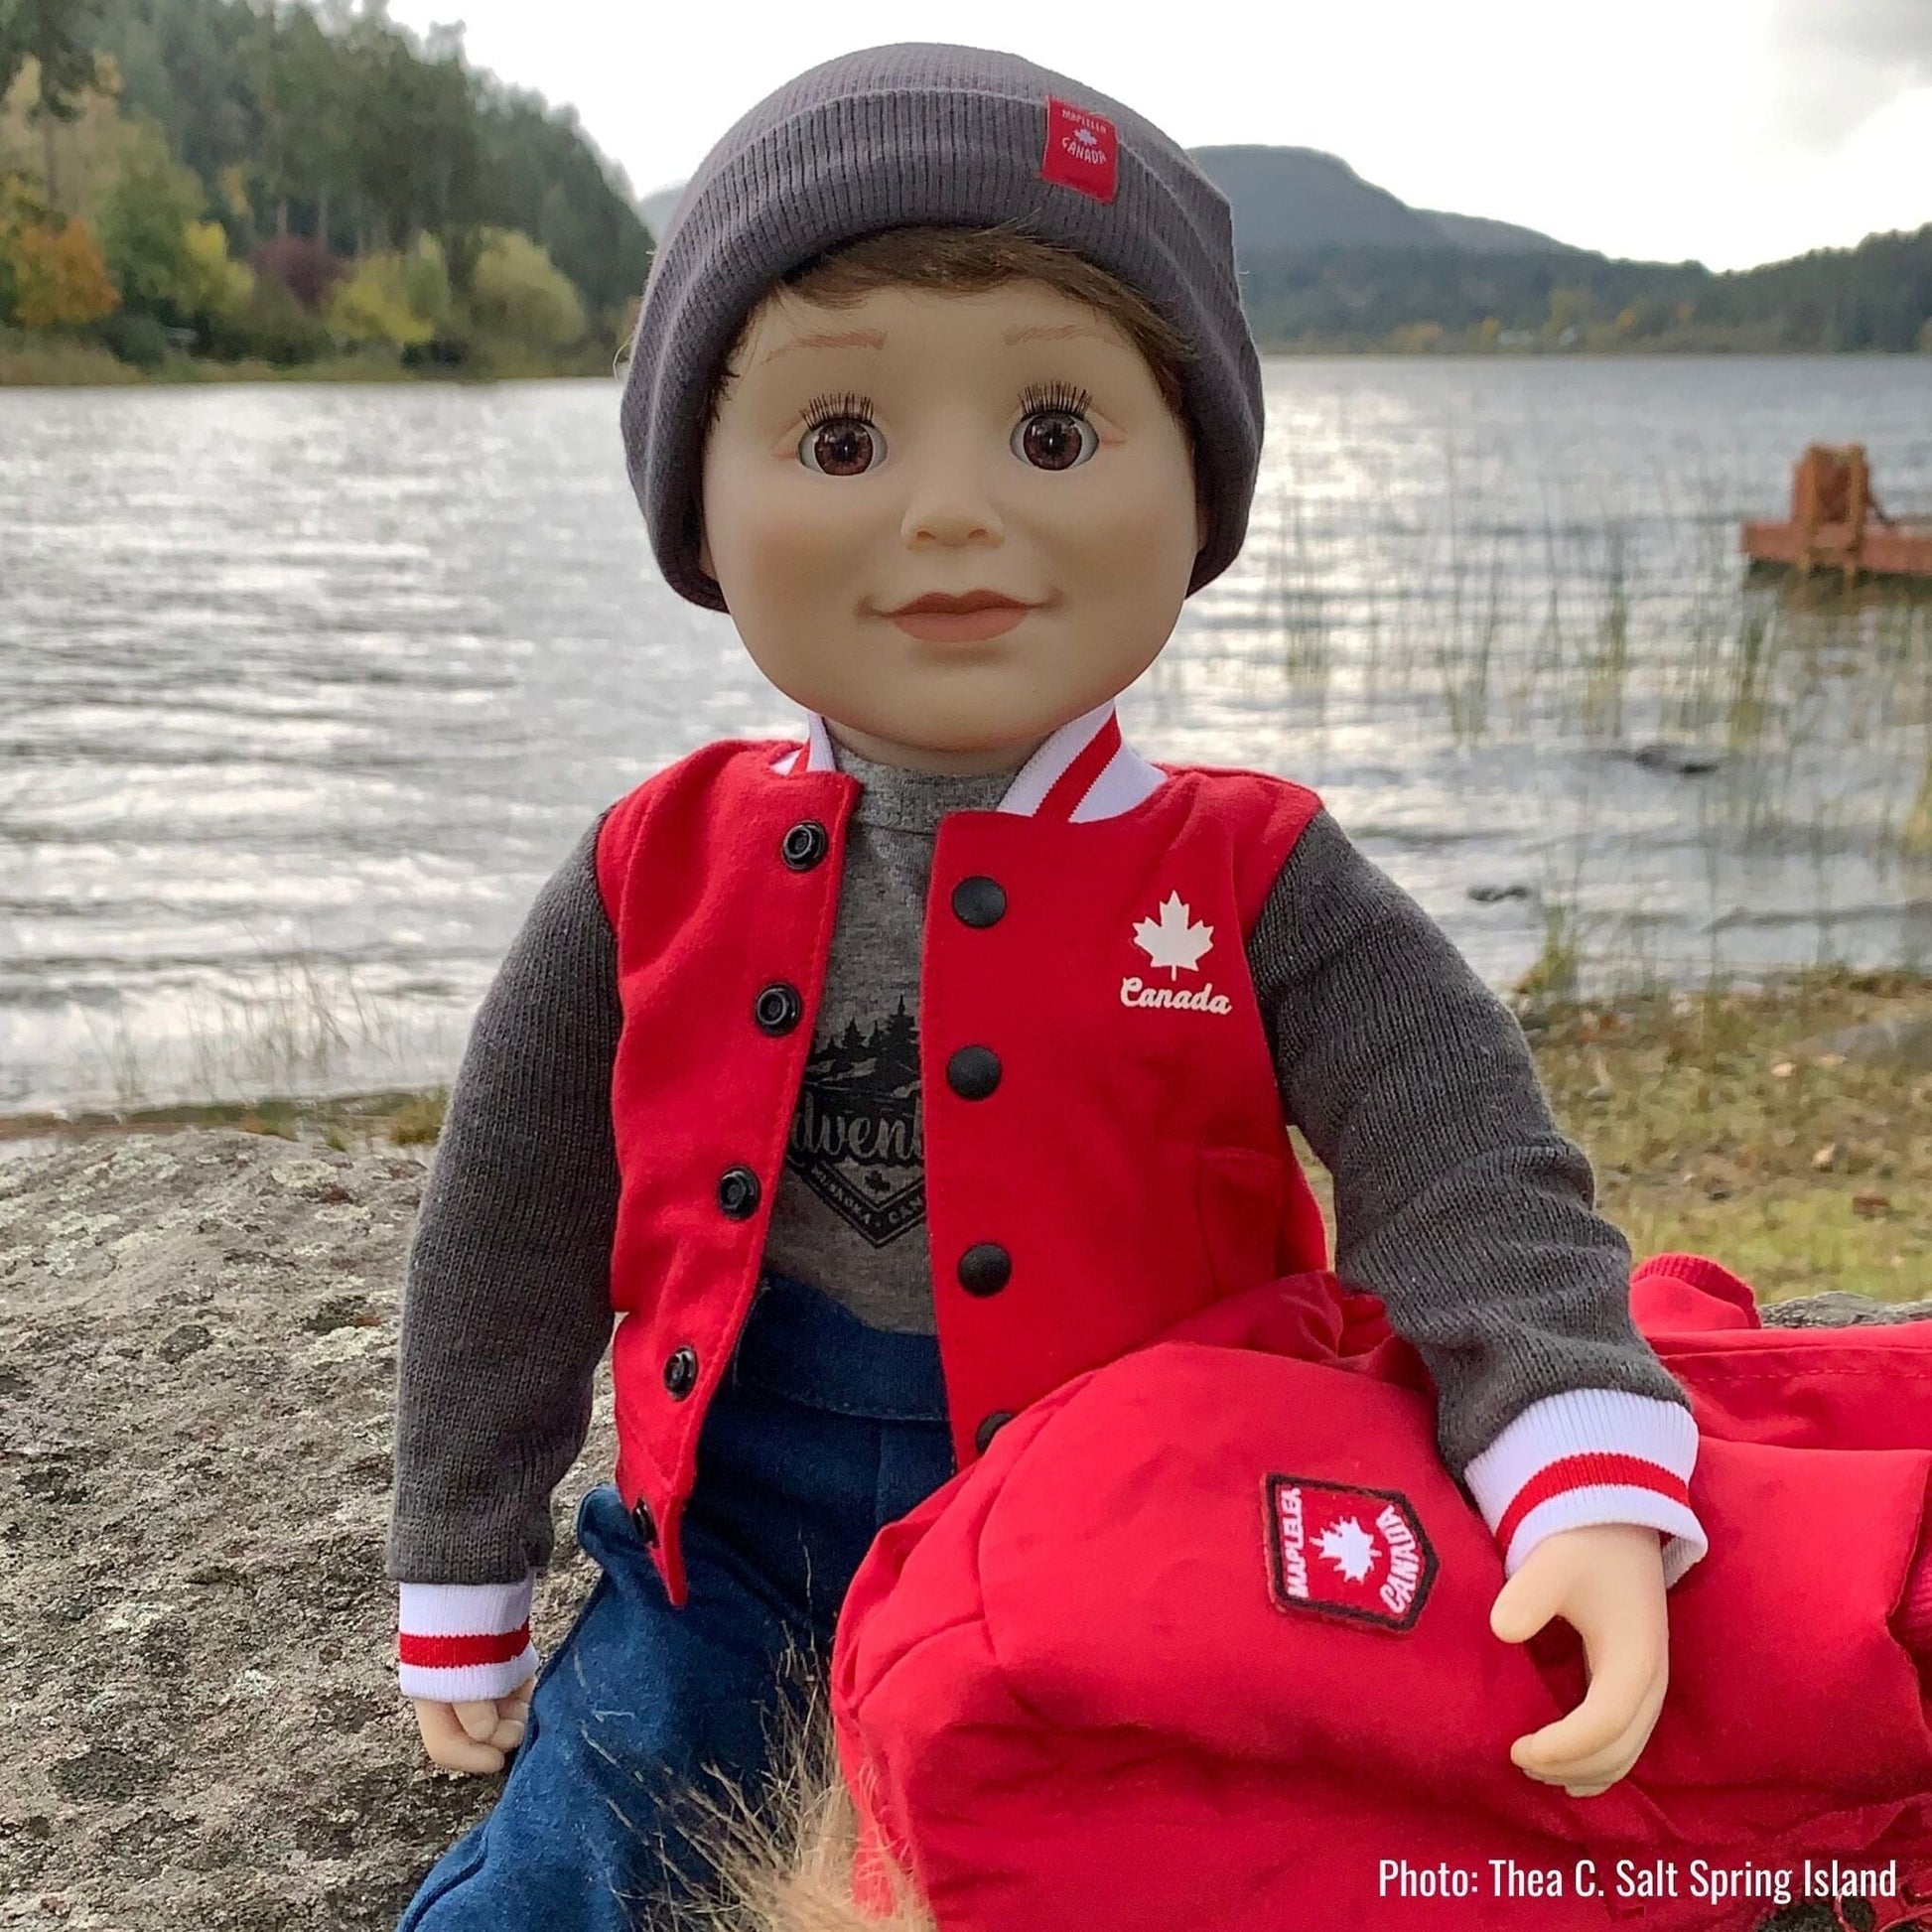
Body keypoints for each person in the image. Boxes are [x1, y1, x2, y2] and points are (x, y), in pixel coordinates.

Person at [384, 43, 1711, 1931]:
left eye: (1055, 432)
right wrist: (464, 1559)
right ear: (699, 496)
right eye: (840, 440)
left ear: (1197, 492)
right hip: (729, 1541)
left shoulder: (1251, 876)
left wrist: (1566, 1450)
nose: (947, 515)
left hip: (1142, 1522)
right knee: (567, 1871)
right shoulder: (642, 869)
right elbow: (508, 1227)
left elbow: (1459, 1156)